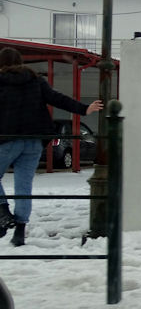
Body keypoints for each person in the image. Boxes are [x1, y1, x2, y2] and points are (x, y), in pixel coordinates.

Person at [0, 47, 103, 246]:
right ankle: (19, 231)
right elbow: (57, 99)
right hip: (34, 141)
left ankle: (3, 212)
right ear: (20, 62)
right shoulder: (36, 81)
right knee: (24, 185)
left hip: (7, 139)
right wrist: (84, 109)